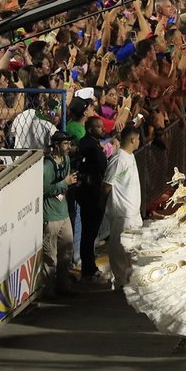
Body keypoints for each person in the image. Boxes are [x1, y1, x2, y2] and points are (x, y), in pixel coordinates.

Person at [101, 125, 142, 288]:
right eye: (138, 139)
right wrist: (101, 203)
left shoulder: (129, 156)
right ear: (132, 139)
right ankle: (120, 282)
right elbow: (106, 184)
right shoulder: (119, 159)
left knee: (132, 250)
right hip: (123, 213)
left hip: (132, 212)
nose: (139, 142)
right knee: (119, 249)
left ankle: (130, 280)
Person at [71, 115, 109, 285]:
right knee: (89, 233)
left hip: (92, 192)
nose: (103, 129)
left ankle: (90, 268)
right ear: (90, 129)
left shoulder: (92, 144)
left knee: (91, 233)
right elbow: (97, 166)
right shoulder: (88, 145)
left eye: (102, 127)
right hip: (90, 194)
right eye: (99, 127)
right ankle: (88, 270)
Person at [42, 132, 77, 299]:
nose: (69, 147)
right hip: (50, 215)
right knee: (51, 256)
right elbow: (44, 189)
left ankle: (64, 285)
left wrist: (66, 185)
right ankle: (49, 291)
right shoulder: (47, 165)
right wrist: (64, 183)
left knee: (67, 252)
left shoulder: (66, 160)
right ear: (56, 146)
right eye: (65, 144)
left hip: (63, 213)